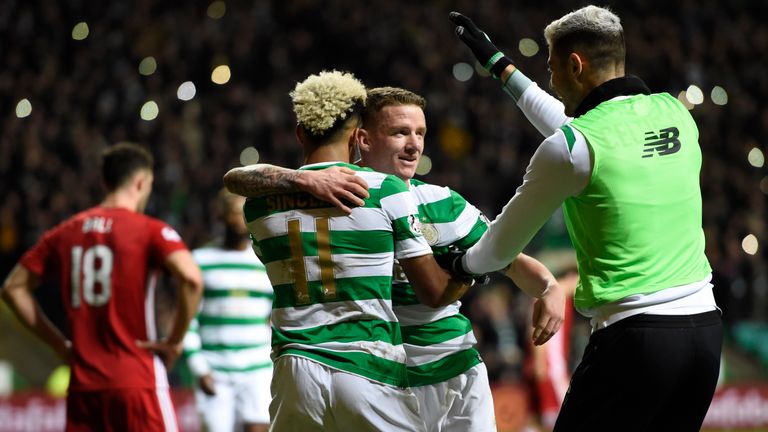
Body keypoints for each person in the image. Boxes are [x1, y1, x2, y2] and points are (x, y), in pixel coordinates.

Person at [225, 85, 567, 432]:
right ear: (363, 139)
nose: (414, 144)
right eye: (400, 132)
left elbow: (507, 258)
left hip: (450, 368)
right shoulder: (357, 193)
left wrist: (548, 286)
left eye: (420, 133)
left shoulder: (443, 203)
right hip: (378, 374)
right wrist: (464, 272)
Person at [446, 6, 722, 431]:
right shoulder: (676, 113)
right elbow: (576, 130)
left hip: (635, 338)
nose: (551, 80)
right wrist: (499, 67)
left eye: (553, 68)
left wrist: (460, 263)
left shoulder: (572, 148)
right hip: (704, 333)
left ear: (575, 65)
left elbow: (499, 247)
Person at [234, 70, 474, 431]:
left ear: (300, 133)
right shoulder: (384, 190)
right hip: (367, 367)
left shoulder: (259, 206)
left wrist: (298, 181)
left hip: (294, 370)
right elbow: (435, 292)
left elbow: (240, 180)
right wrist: (469, 271)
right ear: (359, 138)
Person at [1, 142, 203, 431]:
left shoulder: (65, 232)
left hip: (84, 386)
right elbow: (191, 278)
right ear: (141, 181)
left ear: (106, 181)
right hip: (137, 380)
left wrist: (59, 344)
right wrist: (174, 341)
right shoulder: (149, 230)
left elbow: (12, 288)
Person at [182, 189, 273, 432]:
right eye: (233, 213)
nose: (239, 220)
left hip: (258, 368)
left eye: (243, 214)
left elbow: (278, 315)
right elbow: (187, 319)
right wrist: (199, 367)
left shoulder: (266, 262)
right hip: (215, 370)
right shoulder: (200, 260)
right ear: (220, 217)